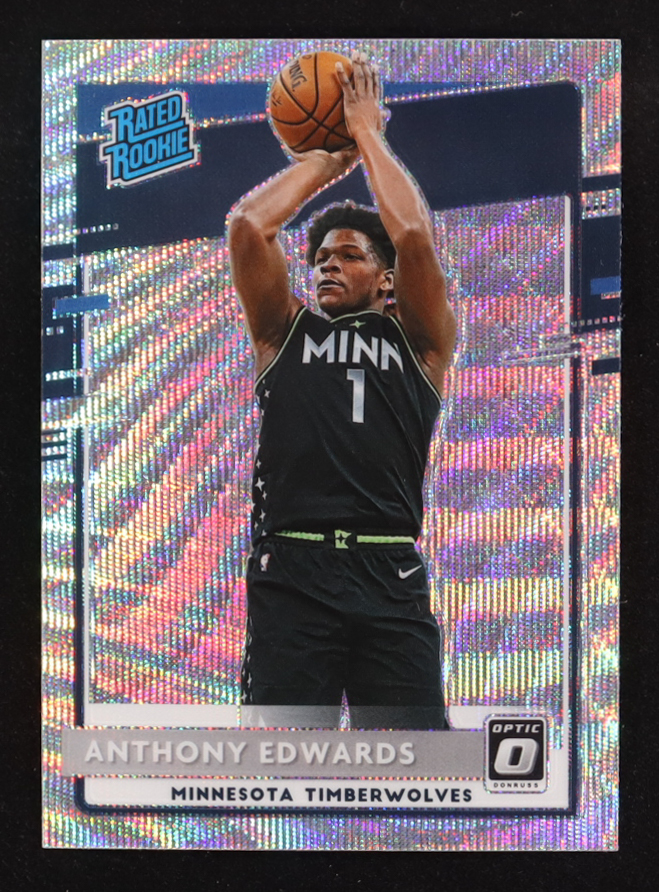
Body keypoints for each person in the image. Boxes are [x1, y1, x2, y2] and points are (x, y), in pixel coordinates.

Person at [228, 52, 456, 730]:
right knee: (282, 768)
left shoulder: (419, 342)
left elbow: (411, 233)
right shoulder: (284, 332)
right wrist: (325, 163)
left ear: (386, 279)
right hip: (292, 571)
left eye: (350, 255)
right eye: (322, 257)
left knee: (419, 771)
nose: (328, 264)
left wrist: (366, 134)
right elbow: (249, 226)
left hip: (389, 569)